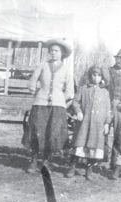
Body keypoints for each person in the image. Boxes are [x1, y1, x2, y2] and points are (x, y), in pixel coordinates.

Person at [26, 38, 74, 173]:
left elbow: (70, 91)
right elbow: (32, 82)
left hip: (57, 107)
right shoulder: (42, 65)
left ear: (62, 53)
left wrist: (60, 100)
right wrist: (37, 92)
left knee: (52, 134)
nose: (53, 53)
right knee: (36, 131)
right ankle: (33, 161)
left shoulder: (66, 70)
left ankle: (46, 161)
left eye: (56, 51)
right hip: (40, 104)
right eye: (51, 50)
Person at [65, 65, 112, 180]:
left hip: (98, 125)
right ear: (90, 76)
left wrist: (106, 123)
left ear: (102, 78)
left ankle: (88, 169)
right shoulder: (83, 88)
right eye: (94, 75)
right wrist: (78, 111)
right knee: (79, 145)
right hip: (84, 123)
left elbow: (108, 110)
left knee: (94, 148)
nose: (96, 78)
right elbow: (75, 102)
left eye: (99, 76)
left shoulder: (105, 92)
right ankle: (72, 167)